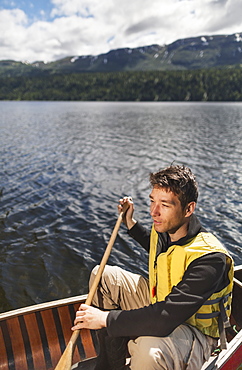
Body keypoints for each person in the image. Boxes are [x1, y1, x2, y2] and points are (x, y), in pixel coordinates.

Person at [72, 164, 234, 370]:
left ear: (188, 209)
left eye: (165, 205)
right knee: (102, 276)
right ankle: (112, 365)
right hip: (162, 303)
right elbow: (158, 247)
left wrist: (105, 318)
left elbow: (165, 317)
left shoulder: (211, 258)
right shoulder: (167, 230)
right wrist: (130, 222)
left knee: (149, 349)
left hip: (196, 331)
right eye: (152, 201)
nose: (154, 212)